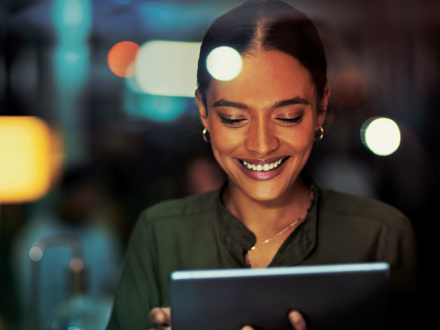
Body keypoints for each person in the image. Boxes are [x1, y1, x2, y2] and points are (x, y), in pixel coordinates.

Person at [106, 1, 418, 329]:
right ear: (203, 112)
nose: (261, 145)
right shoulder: (161, 235)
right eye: (234, 118)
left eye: (288, 117)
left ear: (321, 108)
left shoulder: (379, 237)